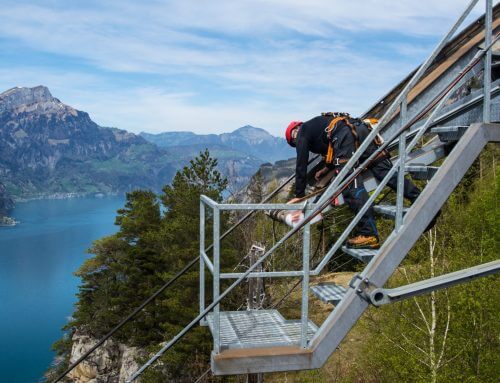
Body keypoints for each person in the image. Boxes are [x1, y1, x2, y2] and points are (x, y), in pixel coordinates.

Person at [285, 112, 421, 249]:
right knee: (384, 171)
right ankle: (418, 198)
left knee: (350, 184)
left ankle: (369, 234)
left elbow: (301, 164)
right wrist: (327, 168)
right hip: (359, 129)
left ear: (294, 133)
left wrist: (299, 196)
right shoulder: (317, 124)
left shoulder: (301, 132)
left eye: (294, 142)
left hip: (345, 135)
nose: (297, 144)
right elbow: (333, 148)